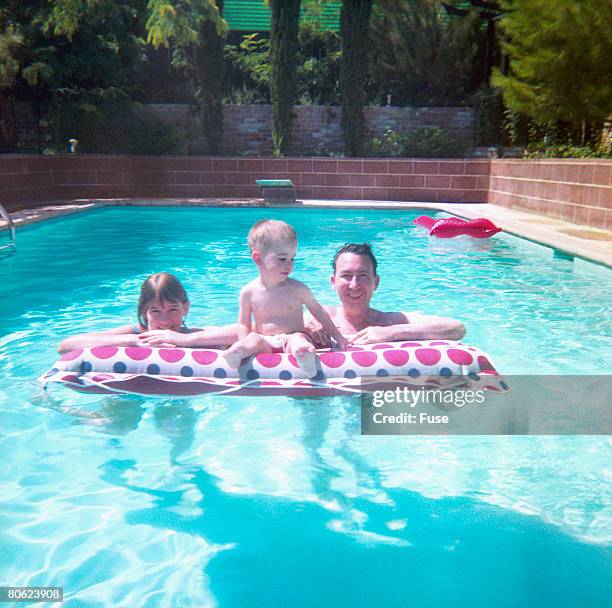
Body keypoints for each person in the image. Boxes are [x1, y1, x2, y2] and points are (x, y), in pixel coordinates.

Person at [222, 220, 348, 376]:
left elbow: (320, 313)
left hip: (292, 338)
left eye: (292, 258)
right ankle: (239, 352)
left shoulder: (298, 289)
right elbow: (243, 325)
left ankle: (305, 357)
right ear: (258, 258)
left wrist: (338, 337)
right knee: (254, 338)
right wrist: (243, 342)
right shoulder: (248, 292)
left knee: (299, 340)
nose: (289, 265)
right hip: (265, 341)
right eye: (282, 259)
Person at [305, 243, 466, 347]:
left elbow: (456, 328)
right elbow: (281, 326)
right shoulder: (318, 317)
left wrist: (391, 333)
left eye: (363, 275)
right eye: (346, 276)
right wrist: (304, 324)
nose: (354, 285)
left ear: (376, 282)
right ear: (333, 282)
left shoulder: (390, 322)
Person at [57, 272, 235, 353]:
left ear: (185, 307)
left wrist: (187, 340)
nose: (165, 321)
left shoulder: (193, 335)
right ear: (144, 311)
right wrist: (134, 342)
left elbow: (242, 332)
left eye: (172, 309)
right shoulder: (135, 333)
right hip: (128, 389)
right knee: (120, 428)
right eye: (155, 311)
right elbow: (66, 345)